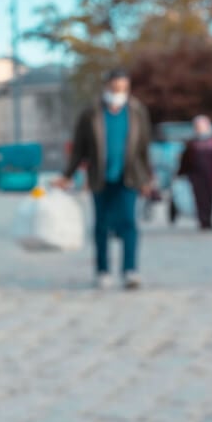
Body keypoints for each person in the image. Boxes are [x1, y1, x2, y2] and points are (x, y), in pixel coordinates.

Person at [55, 69, 153, 290]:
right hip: (100, 176)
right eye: (115, 87)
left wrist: (147, 178)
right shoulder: (91, 114)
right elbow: (79, 148)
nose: (118, 92)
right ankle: (103, 270)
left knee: (129, 222)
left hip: (129, 176)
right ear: (107, 86)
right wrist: (67, 175)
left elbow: (144, 147)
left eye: (123, 88)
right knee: (102, 225)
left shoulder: (137, 112)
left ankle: (130, 270)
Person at [177, 115, 212, 230]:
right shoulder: (192, 143)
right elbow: (186, 160)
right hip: (196, 175)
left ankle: (208, 219)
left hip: (211, 174)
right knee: (199, 198)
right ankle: (202, 220)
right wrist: (181, 172)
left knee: (210, 198)